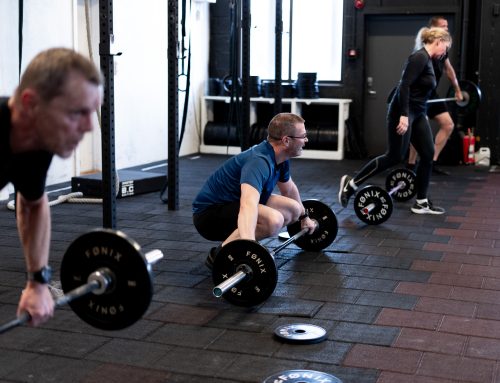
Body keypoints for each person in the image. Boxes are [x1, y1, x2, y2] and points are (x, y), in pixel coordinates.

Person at [0, 48, 102, 326]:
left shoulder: (34, 142)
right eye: (77, 113)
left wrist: (37, 282)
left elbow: (32, 203)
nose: (89, 127)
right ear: (31, 103)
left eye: (91, 112)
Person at [339, 27, 452, 215]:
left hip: (418, 113)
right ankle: (351, 184)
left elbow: (419, 91)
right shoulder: (419, 57)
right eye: (445, 47)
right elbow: (404, 85)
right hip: (402, 111)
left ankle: (421, 202)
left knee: (428, 153)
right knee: (394, 156)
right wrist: (404, 115)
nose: (445, 52)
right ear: (438, 41)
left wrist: (419, 112)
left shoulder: (430, 61)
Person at [192, 113, 317, 268]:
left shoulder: (281, 157)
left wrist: (305, 217)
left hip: (233, 203)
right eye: (303, 136)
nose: (306, 140)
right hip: (209, 215)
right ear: (286, 140)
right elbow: (247, 206)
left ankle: (230, 247)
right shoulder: (259, 161)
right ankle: (221, 255)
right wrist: (250, 251)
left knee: (294, 209)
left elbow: (289, 189)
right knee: (274, 220)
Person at [407, 16, 463, 175]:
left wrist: (458, 90)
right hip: (419, 96)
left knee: (448, 125)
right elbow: (407, 83)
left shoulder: (442, 51)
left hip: (432, 94)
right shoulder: (421, 53)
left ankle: (430, 161)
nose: (446, 29)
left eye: (447, 26)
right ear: (434, 30)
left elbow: (449, 70)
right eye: (443, 26)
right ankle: (411, 166)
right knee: (419, 130)